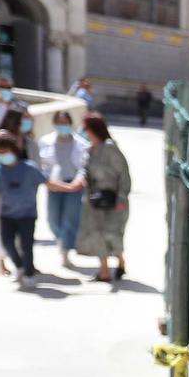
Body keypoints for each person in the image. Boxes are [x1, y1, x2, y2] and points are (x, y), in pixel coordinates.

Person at [0, 132, 46, 290]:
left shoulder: (29, 168)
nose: (3, 155)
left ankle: (29, 273)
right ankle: (19, 266)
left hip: (27, 214)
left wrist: (70, 187)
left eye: (5, 151)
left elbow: (47, 182)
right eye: (0, 152)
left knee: (26, 245)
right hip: (7, 215)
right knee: (7, 243)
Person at [75, 113, 131, 284]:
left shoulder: (110, 148)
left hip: (114, 200)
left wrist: (121, 197)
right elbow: (86, 172)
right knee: (97, 234)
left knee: (112, 234)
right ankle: (104, 271)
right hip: (95, 200)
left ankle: (120, 262)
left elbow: (123, 174)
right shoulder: (89, 150)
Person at [38, 110, 88, 270]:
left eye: (65, 123)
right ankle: (61, 240)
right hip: (54, 184)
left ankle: (65, 249)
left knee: (70, 218)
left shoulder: (81, 144)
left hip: (74, 185)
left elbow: (83, 166)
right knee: (53, 218)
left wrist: (78, 182)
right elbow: (43, 164)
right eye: (59, 123)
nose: (62, 126)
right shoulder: (45, 141)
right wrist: (46, 180)